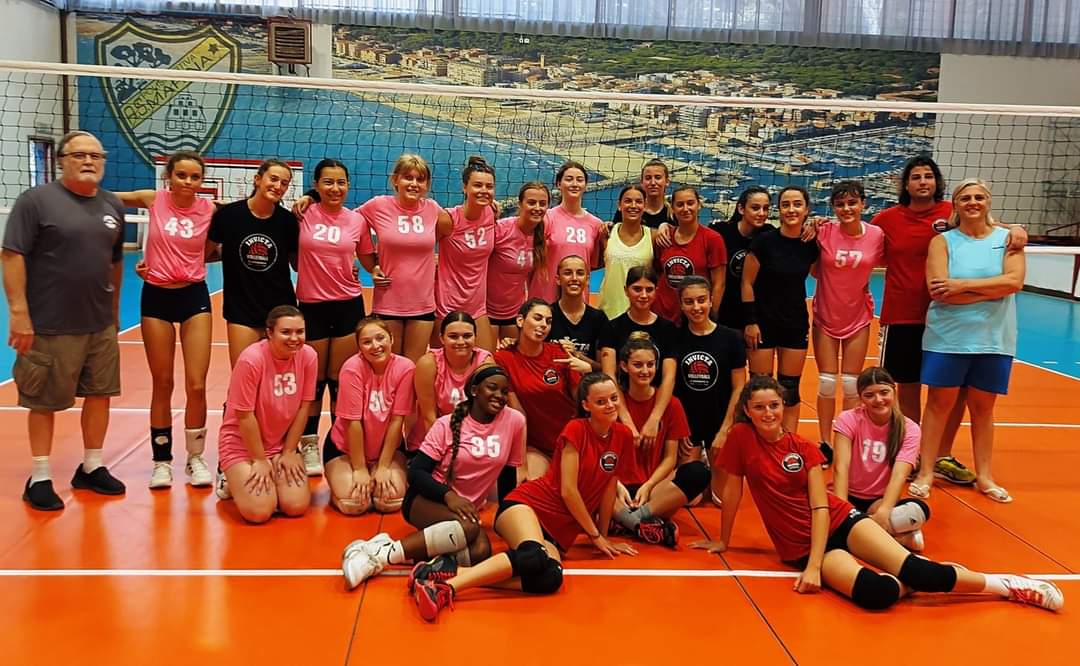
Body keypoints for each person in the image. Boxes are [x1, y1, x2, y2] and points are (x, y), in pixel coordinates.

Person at [691, 375, 1063, 613]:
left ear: (783, 406)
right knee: (877, 594)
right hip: (799, 547)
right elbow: (734, 490)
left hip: (839, 520)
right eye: (759, 407)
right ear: (747, 410)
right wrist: (724, 539)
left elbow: (820, 507)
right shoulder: (741, 437)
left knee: (917, 571)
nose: (768, 413)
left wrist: (815, 567)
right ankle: (934, 575)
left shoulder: (802, 448)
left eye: (774, 405)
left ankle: (1008, 585)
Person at [408, 372, 638, 622]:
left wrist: (604, 536)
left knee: (550, 578)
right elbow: (568, 491)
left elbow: (608, 487)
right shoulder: (576, 429)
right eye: (601, 401)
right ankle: (445, 588)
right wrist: (594, 536)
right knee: (534, 555)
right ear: (586, 405)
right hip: (528, 506)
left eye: (614, 398)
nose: (610, 405)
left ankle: (450, 571)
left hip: (558, 529)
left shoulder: (623, 435)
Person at [870, 155, 1026, 486]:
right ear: (906, 184)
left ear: (937, 182)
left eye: (928, 176)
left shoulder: (950, 212)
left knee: (954, 394)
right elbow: (859, 235)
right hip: (903, 314)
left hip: (951, 320)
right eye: (916, 177)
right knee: (907, 388)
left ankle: (941, 455)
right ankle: (910, 455)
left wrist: (1017, 228)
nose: (922, 182)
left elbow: (987, 225)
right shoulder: (887, 219)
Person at [3, 130, 126, 511]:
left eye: (95, 155)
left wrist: (114, 313)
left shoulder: (111, 205)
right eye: (79, 155)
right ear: (61, 161)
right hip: (50, 323)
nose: (88, 161)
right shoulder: (35, 201)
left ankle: (91, 467)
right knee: (43, 401)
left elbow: (115, 262)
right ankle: (39, 476)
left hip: (99, 324)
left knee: (100, 394)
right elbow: (12, 254)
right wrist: (19, 313)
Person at [341, 365, 526, 588]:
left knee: (479, 552)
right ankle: (378, 556)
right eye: (492, 388)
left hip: (465, 510)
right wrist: (449, 496)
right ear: (474, 390)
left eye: (504, 391)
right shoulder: (446, 423)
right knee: (468, 528)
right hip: (426, 499)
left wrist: (507, 519)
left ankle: (388, 547)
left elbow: (507, 476)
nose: (499, 396)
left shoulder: (515, 421)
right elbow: (416, 473)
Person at [910, 179, 1025, 503]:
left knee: (983, 410)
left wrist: (960, 286)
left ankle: (985, 476)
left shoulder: (1008, 239)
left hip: (994, 339)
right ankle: (926, 472)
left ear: (988, 202)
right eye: (965, 198)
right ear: (956, 205)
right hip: (948, 337)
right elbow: (938, 290)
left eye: (979, 197)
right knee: (938, 406)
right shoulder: (943, 242)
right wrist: (992, 290)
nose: (973, 202)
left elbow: (1014, 282)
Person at [113, 151, 215, 490]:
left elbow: (246, 218)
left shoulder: (210, 210)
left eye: (195, 177)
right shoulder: (153, 199)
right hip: (156, 295)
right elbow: (108, 197)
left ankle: (196, 458)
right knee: (162, 382)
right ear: (168, 176)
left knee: (196, 384)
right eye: (181, 175)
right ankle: (161, 462)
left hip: (194, 296)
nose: (187, 182)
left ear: (202, 181)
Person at [295, 159, 376, 476]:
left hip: (347, 305)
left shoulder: (356, 221)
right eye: (328, 182)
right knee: (313, 382)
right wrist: (307, 199)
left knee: (341, 381)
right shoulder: (302, 214)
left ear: (348, 185)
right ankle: (309, 443)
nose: (335, 188)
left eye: (341, 182)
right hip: (312, 305)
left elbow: (369, 259)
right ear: (316, 185)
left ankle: (339, 442)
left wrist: (385, 269)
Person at [217, 305, 316, 524]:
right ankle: (231, 477)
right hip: (243, 445)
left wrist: (289, 451)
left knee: (296, 506)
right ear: (269, 333)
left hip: (279, 444)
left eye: (300, 332)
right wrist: (259, 459)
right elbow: (244, 416)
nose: (294, 338)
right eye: (286, 332)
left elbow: (304, 407)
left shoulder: (308, 356)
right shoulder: (251, 360)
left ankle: (269, 475)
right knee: (259, 512)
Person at [613, 332, 710, 546]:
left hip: (654, 488)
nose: (645, 370)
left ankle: (629, 520)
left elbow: (670, 458)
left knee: (698, 472)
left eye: (650, 364)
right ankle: (643, 524)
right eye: (638, 365)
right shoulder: (613, 404)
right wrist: (617, 485)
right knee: (590, 481)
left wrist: (648, 486)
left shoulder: (671, 404)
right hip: (616, 488)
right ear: (624, 366)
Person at [811, 181, 884, 449]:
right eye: (840, 204)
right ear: (833, 207)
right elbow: (814, 270)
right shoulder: (823, 231)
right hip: (825, 315)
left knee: (852, 384)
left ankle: (846, 439)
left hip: (858, 316)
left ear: (863, 204)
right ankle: (825, 442)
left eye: (852, 203)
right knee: (827, 382)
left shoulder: (876, 235)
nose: (846, 209)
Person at [741, 185, 819, 438]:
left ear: (806, 209)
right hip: (763, 323)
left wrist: (820, 227)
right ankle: (756, 442)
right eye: (785, 205)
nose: (791, 209)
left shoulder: (811, 243)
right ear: (779, 210)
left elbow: (820, 271)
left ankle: (789, 443)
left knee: (790, 390)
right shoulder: (764, 242)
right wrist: (751, 321)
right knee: (759, 389)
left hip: (794, 324)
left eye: (797, 204)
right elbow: (747, 283)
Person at [208, 159, 299, 368]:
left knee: (278, 378)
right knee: (243, 375)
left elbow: (298, 264)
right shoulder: (229, 215)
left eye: (284, 183)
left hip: (281, 310)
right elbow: (202, 254)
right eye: (273, 179)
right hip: (242, 309)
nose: (278, 186)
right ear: (257, 179)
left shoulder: (287, 221)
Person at [324, 318, 416, 514]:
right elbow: (353, 423)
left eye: (380, 338)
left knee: (390, 502)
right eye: (366, 342)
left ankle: (378, 471)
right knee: (354, 504)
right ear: (359, 347)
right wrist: (359, 469)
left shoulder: (405, 368)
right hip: (345, 450)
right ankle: (336, 493)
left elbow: (397, 421)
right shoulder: (351, 368)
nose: (375, 346)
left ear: (391, 339)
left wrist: (382, 467)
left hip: (387, 449)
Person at [494, 299, 591, 478]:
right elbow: (518, 413)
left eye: (548, 321)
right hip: (536, 447)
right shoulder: (504, 358)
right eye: (538, 318)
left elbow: (582, 403)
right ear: (520, 320)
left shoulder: (559, 352)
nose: (544, 325)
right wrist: (521, 459)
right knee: (528, 484)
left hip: (570, 441)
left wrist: (587, 374)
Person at [832, 367, 928, 551]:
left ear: (894, 391)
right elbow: (840, 468)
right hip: (847, 495)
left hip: (878, 501)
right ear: (861, 398)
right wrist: (843, 509)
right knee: (811, 508)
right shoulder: (848, 419)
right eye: (869, 395)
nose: (878, 400)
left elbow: (899, 475)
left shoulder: (909, 429)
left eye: (884, 392)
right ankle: (895, 538)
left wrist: (884, 511)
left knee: (918, 509)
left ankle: (857, 533)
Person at [597, 266, 678, 448]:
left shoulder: (668, 329)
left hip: (657, 404)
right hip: (621, 404)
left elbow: (669, 377)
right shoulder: (612, 328)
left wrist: (654, 418)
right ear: (626, 290)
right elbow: (609, 376)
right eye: (637, 289)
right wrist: (625, 419)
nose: (643, 295)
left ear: (656, 291)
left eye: (649, 290)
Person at [673, 276, 746, 461]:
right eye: (689, 302)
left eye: (702, 300)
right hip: (688, 426)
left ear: (711, 300)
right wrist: (678, 428)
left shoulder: (732, 338)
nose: (696, 307)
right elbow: (670, 385)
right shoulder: (674, 338)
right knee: (690, 476)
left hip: (720, 421)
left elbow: (739, 386)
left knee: (721, 480)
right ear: (681, 305)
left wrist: (725, 429)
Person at [436, 156, 498, 352]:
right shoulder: (448, 219)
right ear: (465, 188)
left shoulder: (491, 213)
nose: (484, 190)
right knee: (444, 363)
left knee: (487, 363)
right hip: (446, 306)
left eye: (489, 186)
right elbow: (422, 248)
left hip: (477, 306)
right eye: (477, 185)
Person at [408, 312, 492, 451]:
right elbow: (429, 416)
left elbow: (486, 413)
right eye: (453, 336)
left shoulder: (485, 363)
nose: (461, 342)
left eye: (467, 336)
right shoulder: (428, 364)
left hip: (473, 440)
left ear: (475, 337)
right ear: (442, 338)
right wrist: (447, 452)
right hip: (431, 440)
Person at [529, 161, 606, 303]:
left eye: (579, 180)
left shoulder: (596, 224)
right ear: (559, 184)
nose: (574, 184)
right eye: (569, 179)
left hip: (577, 301)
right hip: (544, 300)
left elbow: (593, 264)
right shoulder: (546, 218)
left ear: (585, 185)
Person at [653, 186, 726, 324]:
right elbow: (657, 273)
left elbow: (719, 284)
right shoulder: (664, 237)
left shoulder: (712, 239)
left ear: (699, 205)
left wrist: (709, 316)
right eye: (680, 204)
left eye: (690, 203)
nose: (685, 209)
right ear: (673, 209)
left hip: (695, 316)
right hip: (662, 314)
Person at [488, 182, 549, 342]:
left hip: (514, 313)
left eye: (542, 203)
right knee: (487, 357)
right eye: (531, 202)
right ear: (520, 204)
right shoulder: (501, 229)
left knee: (515, 356)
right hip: (486, 311)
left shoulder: (541, 236)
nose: (537, 208)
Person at [710, 186, 770, 331]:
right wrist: (665, 226)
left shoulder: (769, 234)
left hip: (755, 314)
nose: (761, 213)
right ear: (741, 209)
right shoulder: (721, 232)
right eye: (755, 208)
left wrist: (814, 225)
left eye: (766, 208)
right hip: (724, 311)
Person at [597, 184, 653, 319]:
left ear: (645, 205)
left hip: (639, 314)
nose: (633, 206)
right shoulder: (607, 233)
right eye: (628, 201)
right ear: (619, 205)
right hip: (607, 312)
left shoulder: (653, 236)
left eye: (638, 201)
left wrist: (664, 225)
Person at [547, 255, 608, 369]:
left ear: (587, 279)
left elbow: (604, 368)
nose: (574, 278)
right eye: (568, 273)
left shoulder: (599, 318)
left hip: (588, 379)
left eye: (580, 273)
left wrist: (577, 355)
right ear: (558, 279)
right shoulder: (547, 315)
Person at [612, 158, 675, 229]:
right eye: (648, 178)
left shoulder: (675, 213)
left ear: (667, 181)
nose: (653, 183)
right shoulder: (629, 209)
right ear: (641, 182)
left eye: (658, 178)